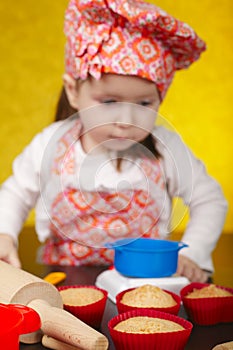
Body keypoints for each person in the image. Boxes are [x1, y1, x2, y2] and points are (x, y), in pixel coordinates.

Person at [0, 0, 227, 283]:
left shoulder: (165, 149)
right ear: (73, 91)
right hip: (66, 281)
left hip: (146, 284)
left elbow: (210, 200)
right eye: (108, 101)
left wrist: (193, 254)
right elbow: (15, 193)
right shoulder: (51, 144)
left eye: (144, 103)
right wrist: (5, 234)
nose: (127, 119)